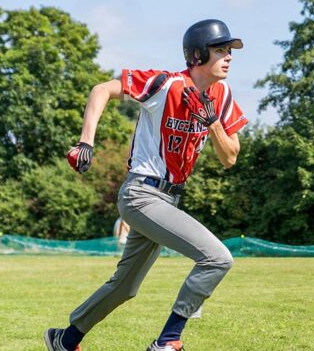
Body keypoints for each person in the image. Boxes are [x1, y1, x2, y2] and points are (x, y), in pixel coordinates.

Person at [44, 19, 248, 351]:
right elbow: (102, 89)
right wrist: (86, 142)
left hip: (168, 203)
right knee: (217, 258)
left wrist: (213, 124)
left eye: (229, 50)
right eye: (220, 49)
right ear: (197, 55)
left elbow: (231, 157)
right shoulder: (165, 84)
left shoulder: (221, 95)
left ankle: (65, 340)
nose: (229, 56)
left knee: (125, 286)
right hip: (141, 194)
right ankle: (168, 342)